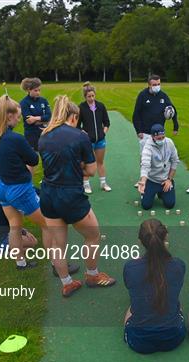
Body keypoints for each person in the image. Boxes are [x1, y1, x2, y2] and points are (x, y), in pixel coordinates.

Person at [39, 95, 116, 297]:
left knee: (58, 244)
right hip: (70, 195)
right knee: (93, 235)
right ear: (73, 116)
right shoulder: (79, 136)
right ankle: (92, 275)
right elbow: (91, 170)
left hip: (48, 195)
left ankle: (66, 283)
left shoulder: (44, 135)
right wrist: (77, 167)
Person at [0, 95, 51, 270]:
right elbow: (33, 160)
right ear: (9, 116)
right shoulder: (15, 138)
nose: (19, 119)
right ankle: (57, 264)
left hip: (2, 188)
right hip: (19, 189)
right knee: (48, 225)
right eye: (17, 116)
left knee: (14, 227)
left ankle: (21, 263)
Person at [123, 219, 186, 354]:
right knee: (177, 303)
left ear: (140, 242)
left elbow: (131, 287)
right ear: (166, 236)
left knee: (130, 308)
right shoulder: (179, 265)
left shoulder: (130, 267)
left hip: (138, 342)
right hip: (173, 338)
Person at [132, 74, 179, 186]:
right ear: (149, 85)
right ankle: (143, 179)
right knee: (145, 158)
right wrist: (138, 130)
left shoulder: (163, 96)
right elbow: (136, 114)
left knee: (160, 157)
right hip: (146, 133)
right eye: (154, 84)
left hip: (160, 134)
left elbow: (173, 110)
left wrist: (175, 126)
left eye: (158, 84)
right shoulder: (142, 95)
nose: (157, 86)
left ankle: (162, 178)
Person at [78, 82, 112, 194]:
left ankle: (103, 183)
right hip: (88, 141)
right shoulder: (81, 108)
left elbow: (107, 122)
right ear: (85, 96)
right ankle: (86, 185)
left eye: (93, 96)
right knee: (87, 163)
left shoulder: (100, 106)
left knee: (100, 162)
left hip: (100, 141)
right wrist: (85, 135)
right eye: (89, 96)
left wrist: (104, 133)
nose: (91, 98)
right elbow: (77, 126)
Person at [138, 124, 180, 210]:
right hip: (152, 180)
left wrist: (169, 179)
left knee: (170, 204)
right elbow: (145, 165)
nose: (161, 140)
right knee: (146, 206)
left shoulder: (169, 142)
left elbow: (175, 161)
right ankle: (145, 191)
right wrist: (143, 181)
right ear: (153, 137)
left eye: (163, 137)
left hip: (165, 180)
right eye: (159, 138)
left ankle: (162, 192)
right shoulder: (147, 147)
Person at [19, 77, 51, 153]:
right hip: (31, 135)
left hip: (45, 133)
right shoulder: (24, 103)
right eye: (35, 90)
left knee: (46, 156)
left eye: (39, 90)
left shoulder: (44, 101)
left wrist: (36, 118)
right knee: (32, 160)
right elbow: (29, 121)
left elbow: (49, 116)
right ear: (29, 90)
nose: (38, 93)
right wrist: (44, 121)